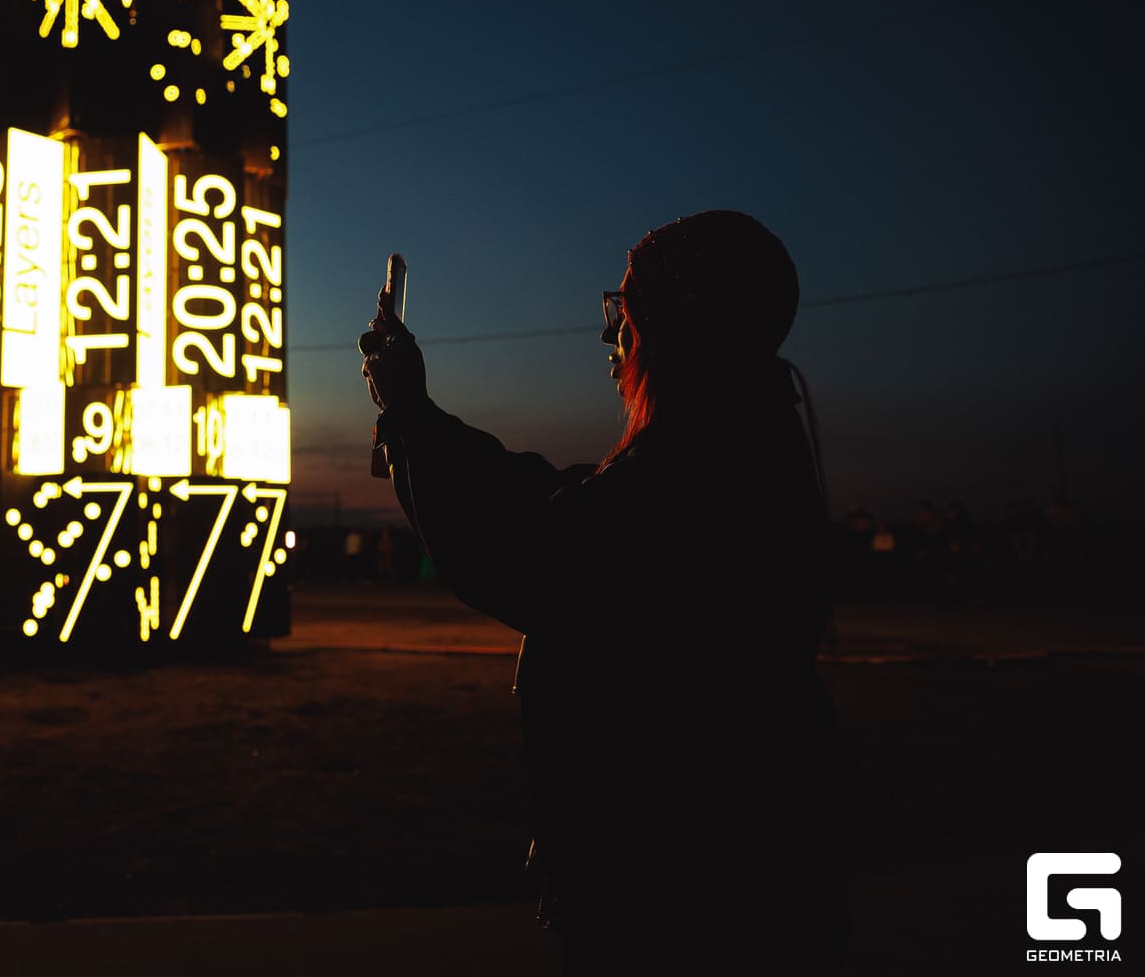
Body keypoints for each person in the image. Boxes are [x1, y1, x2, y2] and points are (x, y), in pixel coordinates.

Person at [362, 210, 848, 975]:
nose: (610, 335)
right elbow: (561, 504)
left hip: (684, 900)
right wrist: (418, 419)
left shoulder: (697, 465)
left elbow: (531, 556)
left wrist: (413, 420)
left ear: (679, 325)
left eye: (627, 310)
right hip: (724, 877)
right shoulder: (729, 439)